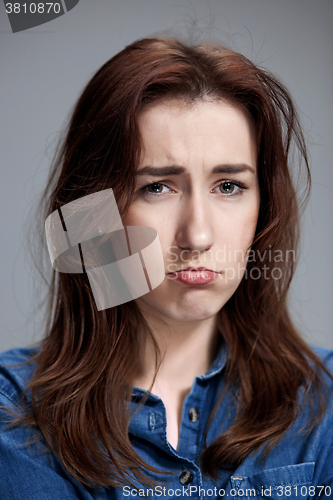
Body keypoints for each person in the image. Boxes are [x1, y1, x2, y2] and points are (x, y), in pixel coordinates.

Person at [0, 36, 332, 500]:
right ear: (92, 215)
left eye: (230, 186)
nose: (197, 236)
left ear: (265, 208)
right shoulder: (12, 412)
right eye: (157, 187)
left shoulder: (326, 404)